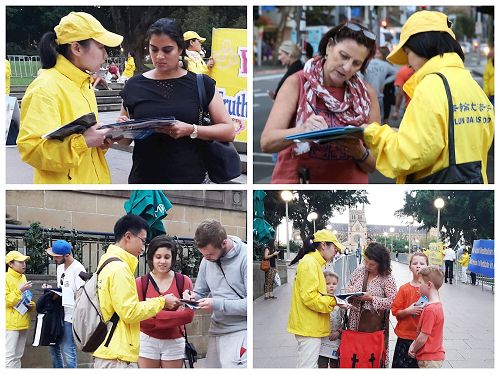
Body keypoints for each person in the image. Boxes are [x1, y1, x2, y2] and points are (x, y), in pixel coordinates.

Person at [361, 10, 494, 183]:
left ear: (422, 45)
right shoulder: (471, 85)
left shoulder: (431, 85)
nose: (408, 63)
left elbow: (409, 155)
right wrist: (402, 135)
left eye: (408, 52)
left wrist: (371, 132)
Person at [118, 18, 234, 183]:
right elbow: (124, 141)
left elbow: (229, 131)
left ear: (180, 48)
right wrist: (122, 128)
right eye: (153, 49)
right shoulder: (134, 85)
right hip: (144, 178)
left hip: (190, 177)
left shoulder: (201, 84)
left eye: (167, 50)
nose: (159, 56)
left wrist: (191, 129)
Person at [261, 22, 380, 183]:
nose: (347, 67)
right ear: (329, 46)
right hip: (299, 184)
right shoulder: (297, 82)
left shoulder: (367, 93)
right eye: (343, 56)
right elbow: (267, 142)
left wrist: (360, 152)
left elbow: (374, 165)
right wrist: (303, 130)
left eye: (356, 63)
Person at [17, 12, 122, 184]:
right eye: (101, 47)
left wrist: (100, 141)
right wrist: (83, 142)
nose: (105, 56)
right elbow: (31, 150)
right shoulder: (45, 88)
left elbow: (84, 143)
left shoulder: (84, 83)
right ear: (77, 48)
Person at [93, 214, 181, 368]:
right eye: (143, 240)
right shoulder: (120, 268)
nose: (143, 247)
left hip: (108, 348)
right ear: (128, 236)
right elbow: (130, 312)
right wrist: (162, 301)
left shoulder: (106, 261)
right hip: (118, 355)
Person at [185, 219, 247, 368]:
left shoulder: (245, 257)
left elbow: (248, 305)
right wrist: (191, 297)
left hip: (240, 331)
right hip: (216, 330)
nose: (206, 258)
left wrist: (216, 303)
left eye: (210, 254)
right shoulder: (207, 259)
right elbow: (200, 291)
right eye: (203, 255)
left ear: (224, 243)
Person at [287, 230, 346, 368]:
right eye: (335, 248)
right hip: (309, 326)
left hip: (310, 325)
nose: (336, 252)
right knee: (308, 367)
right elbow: (310, 297)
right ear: (324, 245)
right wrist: (335, 301)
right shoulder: (310, 263)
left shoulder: (312, 262)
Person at [136, 235, 194, 368]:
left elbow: (188, 315)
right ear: (151, 258)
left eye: (167, 257)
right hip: (147, 340)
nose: (162, 261)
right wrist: (176, 316)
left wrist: (153, 315)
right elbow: (140, 318)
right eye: (158, 257)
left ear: (173, 258)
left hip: (174, 341)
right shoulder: (140, 283)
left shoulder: (183, 281)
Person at [346, 242, 397, 367]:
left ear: (381, 263)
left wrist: (371, 298)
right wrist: (350, 291)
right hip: (355, 320)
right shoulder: (360, 270)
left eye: (372, 264)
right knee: (356, 355)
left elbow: (393, 302)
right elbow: (350, 284)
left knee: (371, 356)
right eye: (366, 261)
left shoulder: (387, 278)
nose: (368, 266)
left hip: (373, 324)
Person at [44, 240, 86, 368]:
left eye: (56, 256)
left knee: (68, 349)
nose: (54, 258)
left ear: (66, 255)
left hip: (71, 315)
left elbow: (81, 294)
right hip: (59, 312)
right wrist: (52, 290)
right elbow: (61, 287)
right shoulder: (60, 267)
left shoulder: (78, 268)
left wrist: (63, 293)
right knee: (53, 346)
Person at [391, 252, 429, 368]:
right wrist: (408, 311)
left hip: (423, 339)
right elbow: (395, 312)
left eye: (422, 263)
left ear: (427, 267)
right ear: (410, 268)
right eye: (415, 263)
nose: (418, 266)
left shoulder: (430, 289)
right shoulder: (404, 289)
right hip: (405, 337)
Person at [408, 265, 445, 368]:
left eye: (420, 283)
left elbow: (423, 337)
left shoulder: (430, 309)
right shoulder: (437, 305)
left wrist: (413, 348)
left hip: (429, 358)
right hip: (434, 355)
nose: (418, 286)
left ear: (429, 284)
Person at [5, 251, 34, 368]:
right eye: (20, 262)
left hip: (23, 321)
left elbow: (26, 297)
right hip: (10, 324)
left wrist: (31, 305)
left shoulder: (23, 277)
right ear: (10, 264)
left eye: (24, 262)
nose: (24, 264)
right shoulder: (5, 278)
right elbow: (6, 301)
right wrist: (19, 291)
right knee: (9, 356)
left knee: (18, 356)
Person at [363, 45, 397, 120]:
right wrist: (385, 82)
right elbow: (397, 73)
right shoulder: (386, 65)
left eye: (378, 53)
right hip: (378, 95)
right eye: (376, 52)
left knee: (365, 118)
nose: (376, 54)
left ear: (382, 55)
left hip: (365, 95)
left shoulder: (366, 63)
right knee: (378, 118)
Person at [318, 271, 343, 368]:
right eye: (328, 284)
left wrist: (339, 332)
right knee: (322, 364)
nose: (331, 286)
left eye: (334, 284)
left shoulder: (339, 302)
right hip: (322, 340)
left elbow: (344, 320)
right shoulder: (319, 301)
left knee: (335, 364)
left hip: (336, 339)